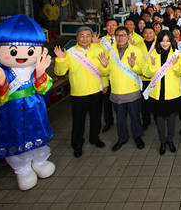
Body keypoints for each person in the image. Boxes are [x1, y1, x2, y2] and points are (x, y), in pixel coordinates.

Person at [0, 15, 54, 190]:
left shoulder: (35, 67)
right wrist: (1, 82)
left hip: (35, 108)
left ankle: (40, 162)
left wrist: (41, 73)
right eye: (13, 51)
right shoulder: (1, 71)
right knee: (15, 136)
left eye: (29, 51)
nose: (21, 56)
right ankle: (23, 169)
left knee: (38, 135)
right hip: (11, 110)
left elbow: (44, 88)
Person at [54, 26, 109, 158]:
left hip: (96, 90)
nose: (85, 38)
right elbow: (60, 73)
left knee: (96, 118)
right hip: (79, 93)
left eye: (87, 35)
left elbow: (106, 71)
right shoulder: (70, 52)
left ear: (91, 37)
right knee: (78, 121)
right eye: (82, 36)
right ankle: (77, 145)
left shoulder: (99, 49)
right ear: (77, 38)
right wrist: (60, 59)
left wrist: (105, 82)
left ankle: (94, 138)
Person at [98, 26, 145, 151]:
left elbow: (142, 70)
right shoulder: (109, 51)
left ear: (128, 37)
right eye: (118, 35)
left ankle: (138, 137)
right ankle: (122, 138)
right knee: (120, 118)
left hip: (132, 90)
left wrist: (134, 65)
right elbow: (105, 72)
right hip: (117, 91)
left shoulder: (136, 50)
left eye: (123, 35)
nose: (120, 37)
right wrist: (103, 66)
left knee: (135, 116)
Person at [143, 30, 181, 155]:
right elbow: (146, 73)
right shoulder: (153, 54)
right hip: (157, 93)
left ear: (171, 41)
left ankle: (170, 140)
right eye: (162, 40)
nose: (165, 43)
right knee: (159, 119)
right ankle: (162, 141)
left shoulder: (177, 55)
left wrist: (175, 65)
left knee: (171, 119)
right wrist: (152, 67)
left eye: (167, 40)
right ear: (159, 41)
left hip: (172, 93)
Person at [100, 19, 118, 133]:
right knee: (106, 102)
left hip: (119, 77)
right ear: (106, 27)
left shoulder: (123, 39)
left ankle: (122, 122)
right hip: (106, 77)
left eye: (113, 25)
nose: (111, 28)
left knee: (119, 103)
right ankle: (108, 122)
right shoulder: (100, 41)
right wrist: (103, 83)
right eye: (109, 25)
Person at [139, 25, 157, 129]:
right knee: (144, 101)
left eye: (151, 33)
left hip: (155, 78)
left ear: (154, 33)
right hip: (143, 78)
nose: (148, 35)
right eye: (146, 33)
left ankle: (157, 118)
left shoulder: (159, 44)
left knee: (155, 100)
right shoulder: (138, 45)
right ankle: (146, 121)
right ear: (143, 34)